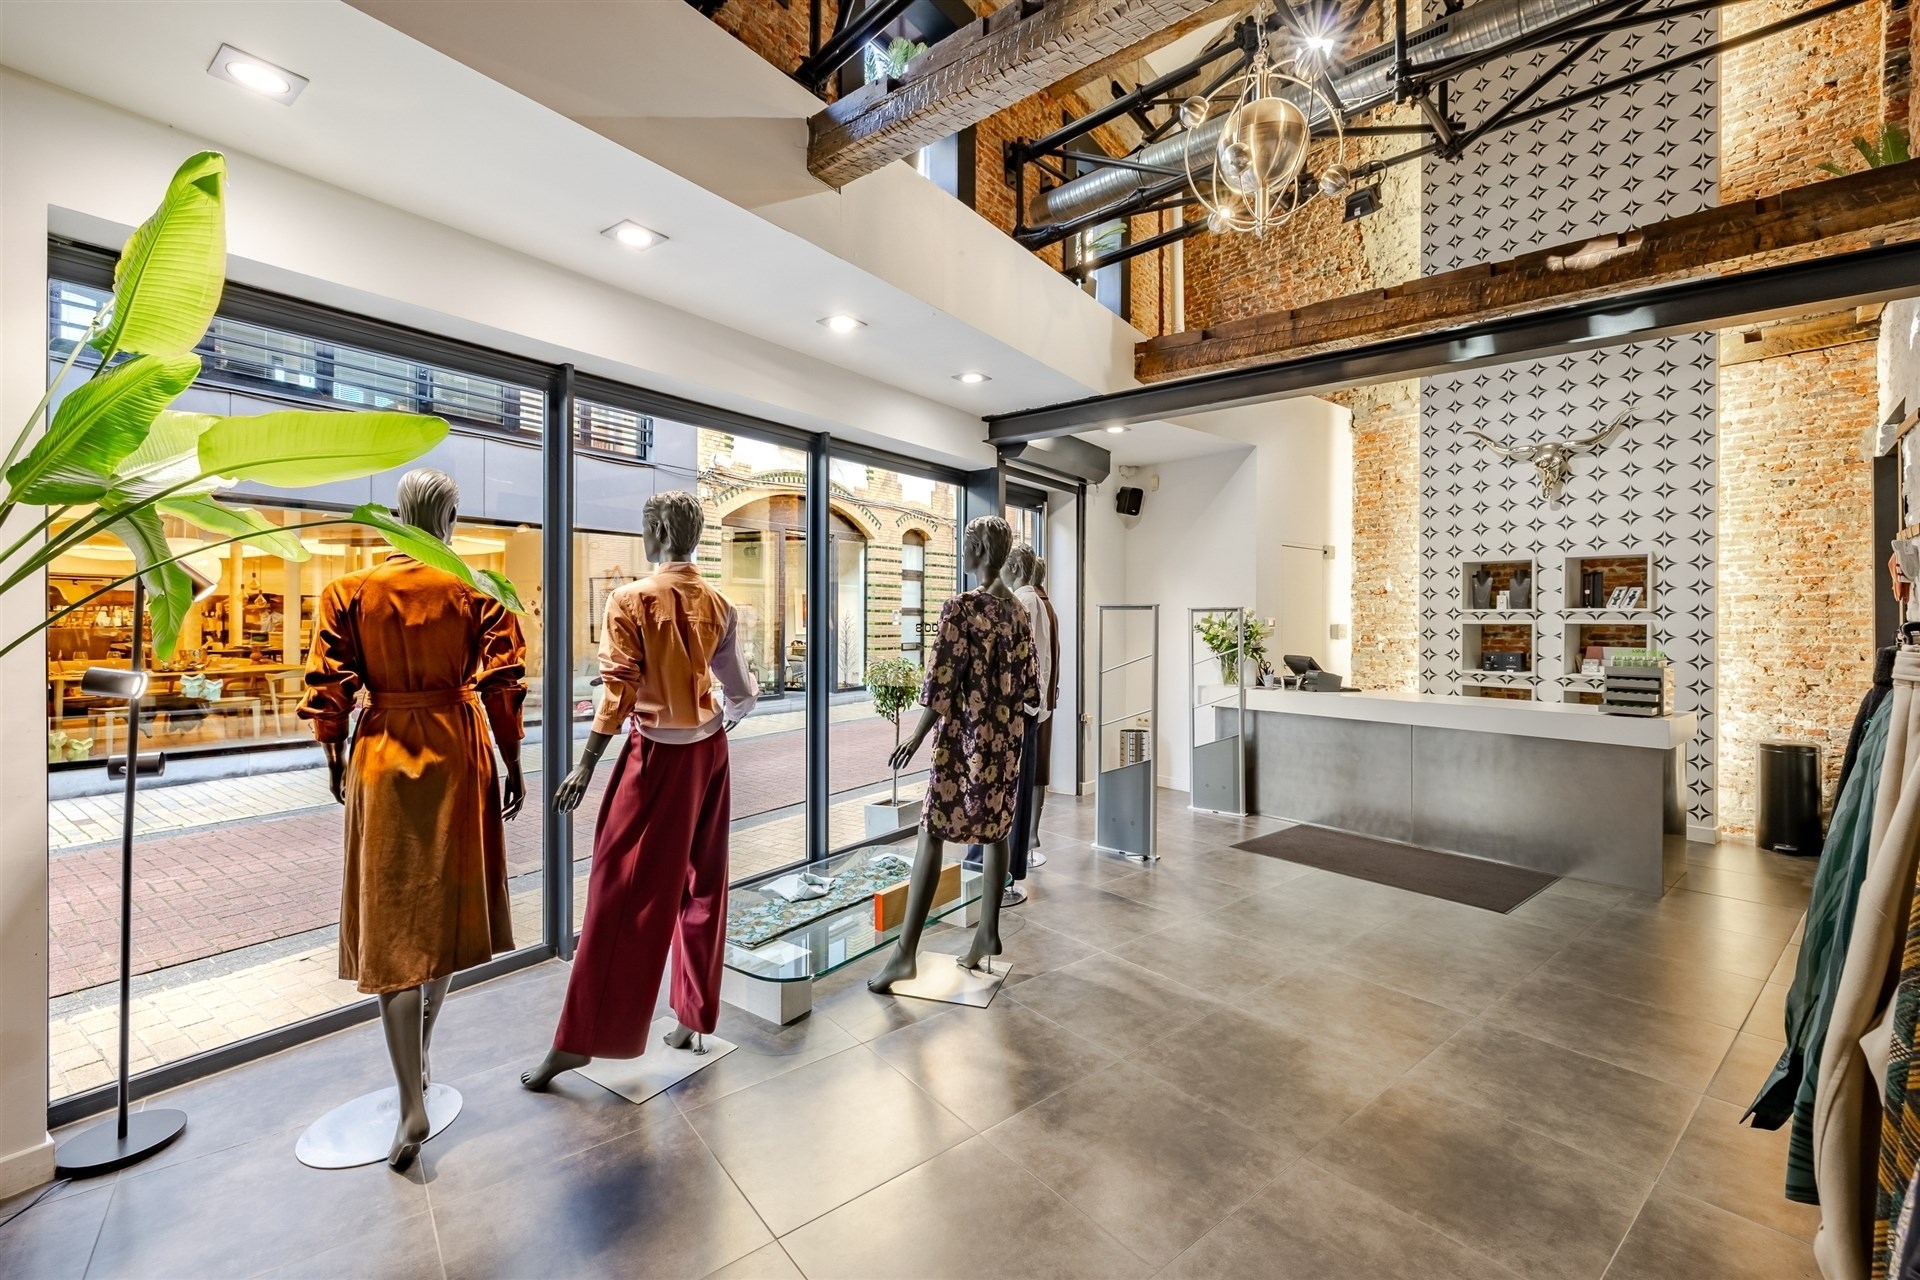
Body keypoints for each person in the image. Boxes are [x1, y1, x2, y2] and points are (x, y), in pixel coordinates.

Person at [522, 491, 757, 1090]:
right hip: (710, 753)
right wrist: (722, 719)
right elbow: (741, 690)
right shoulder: (720, 603)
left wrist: (585, 764)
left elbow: (618, 690)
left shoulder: (629, 600)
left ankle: (580, 1042)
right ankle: (693, 1017)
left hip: (656, 756)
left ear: (658, 532)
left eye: (646, 527)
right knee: (704, 884)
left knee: (617, 891)